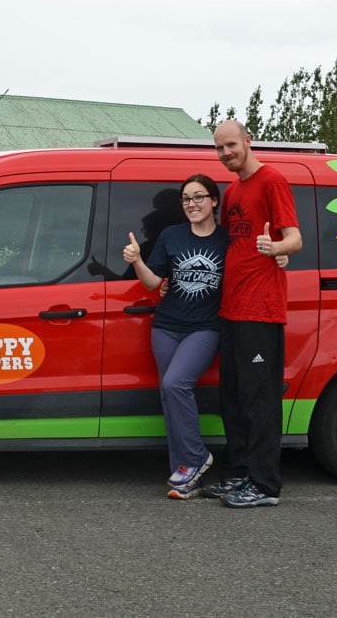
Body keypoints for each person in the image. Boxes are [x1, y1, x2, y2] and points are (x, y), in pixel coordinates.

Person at [203, 120, 302, 508]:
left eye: (231, 145)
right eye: (219, 148)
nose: (225, 153)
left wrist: (276, 248)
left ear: (248, 141)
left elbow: (295, 238)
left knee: (260, 401)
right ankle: (239, 474)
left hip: (261, 310)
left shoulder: (272, 180)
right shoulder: (231, 190)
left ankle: (264, 486)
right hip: (232, 309)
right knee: (234, 398)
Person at [122, 174, 225, 499]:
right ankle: (186, 476)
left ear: (213, 201)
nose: (192, 204)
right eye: (186, 199)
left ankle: (196, 457)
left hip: (205, 328)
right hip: (166, 326)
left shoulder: (227, 240)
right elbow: (153, 283)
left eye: (198, 197)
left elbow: (252, 267)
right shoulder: (172, 235)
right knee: (170, 398)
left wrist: (280, 255)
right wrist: (137, 260)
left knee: (175, 384)